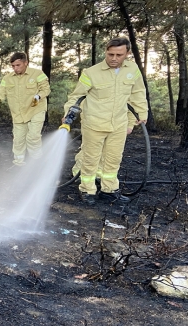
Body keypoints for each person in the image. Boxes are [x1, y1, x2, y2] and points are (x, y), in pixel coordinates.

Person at [62, 37, 148, 205]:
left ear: (127, 54)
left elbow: (137, 94)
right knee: (90, 158)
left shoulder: (133, 70)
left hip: (118, 123)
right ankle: (87, 189)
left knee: (114, 158)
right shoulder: (91, 73)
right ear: (106, 52)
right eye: (110, 54)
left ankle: (109, 190)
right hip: (94, 123)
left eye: (119, 55)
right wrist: (68, 113)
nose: (114, 58)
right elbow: (76, 96)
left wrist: (139, 115)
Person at [0, 52, 51, 166]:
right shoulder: (7, 79)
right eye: (13, 66)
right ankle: (19, 164)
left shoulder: (37, 74)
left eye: (18, 65)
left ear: (26, 63)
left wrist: (38, 96)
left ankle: (36, 163)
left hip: (36, 111)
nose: (15, 68)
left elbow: (46, 89)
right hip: (18, 114)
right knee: (18, 140)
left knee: (33, 137)